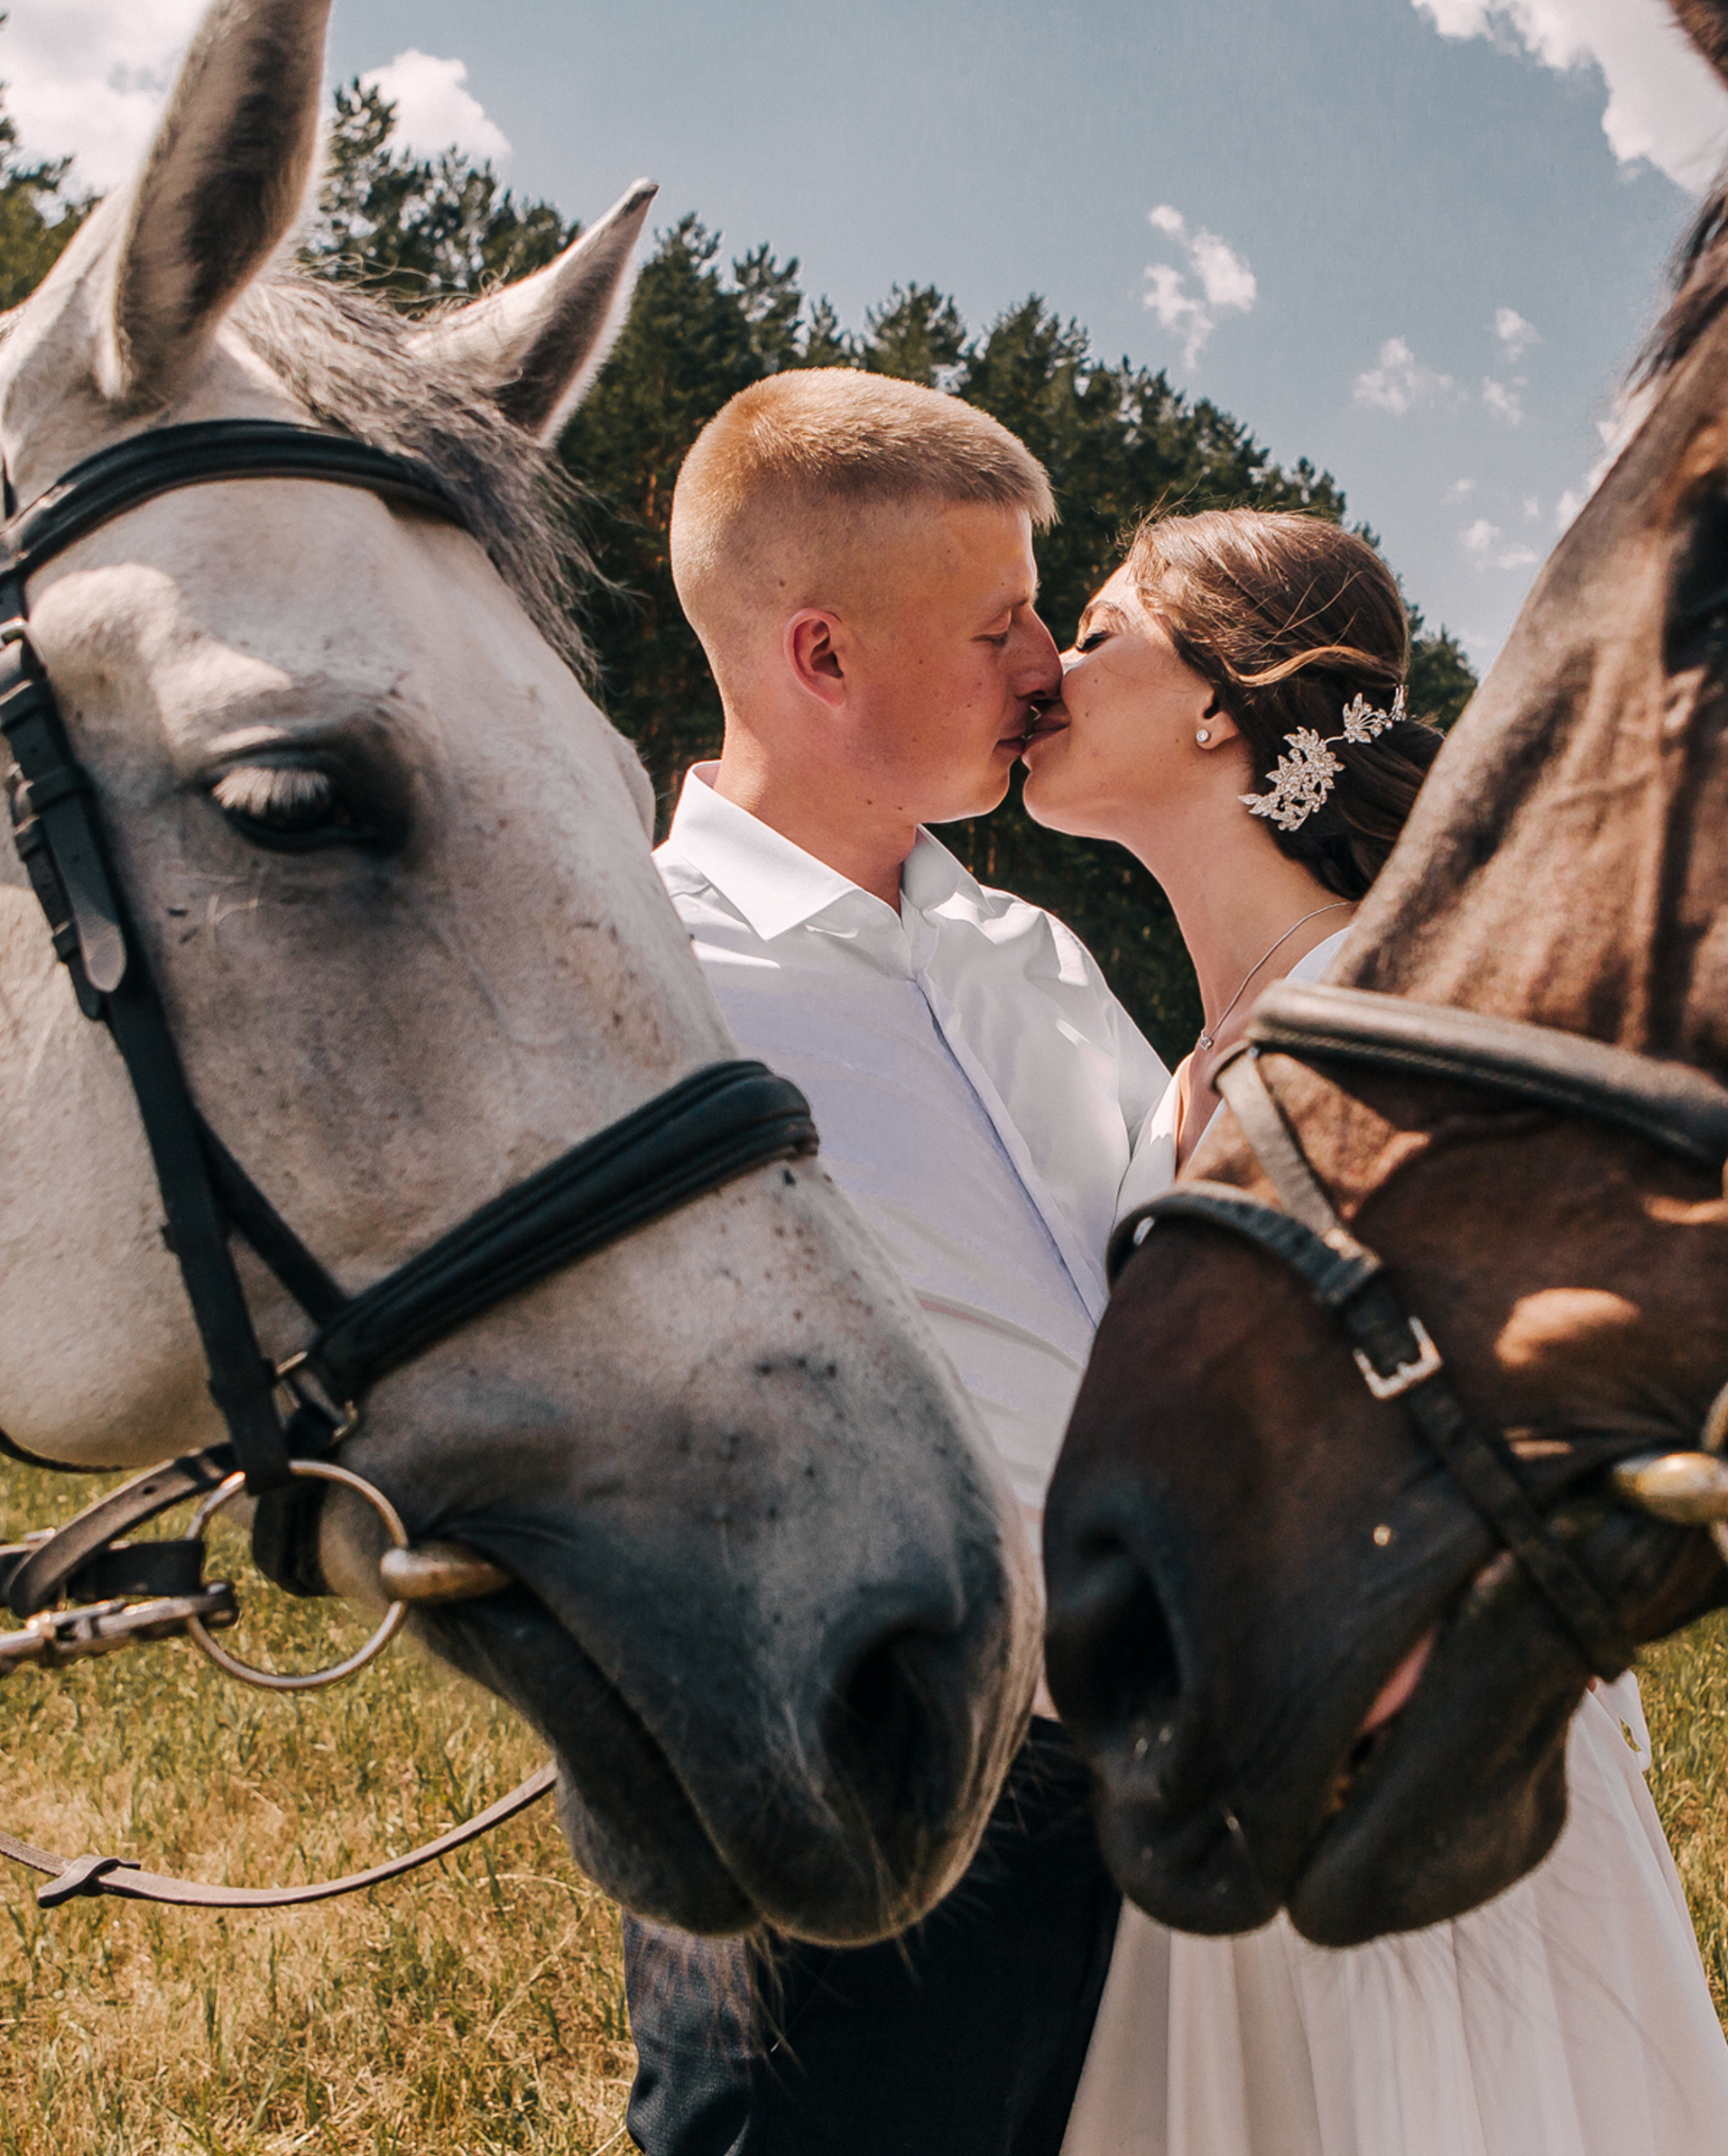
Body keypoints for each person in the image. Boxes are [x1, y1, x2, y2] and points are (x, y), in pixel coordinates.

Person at [1021, 508, 1728, 2156]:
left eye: (1099, 628)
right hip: (1232, 1760)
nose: (1052, 665)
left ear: (1218, 703)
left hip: (1418, 1768)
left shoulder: (1397, 1007)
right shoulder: (1186, 1063)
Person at [625, 368, 1170, 2156]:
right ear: (822, 655)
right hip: (851, 1802)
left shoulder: (1034, 951)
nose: (1047, 667)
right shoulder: (637, 987)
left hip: (1157, 1792)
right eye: (999, 624)